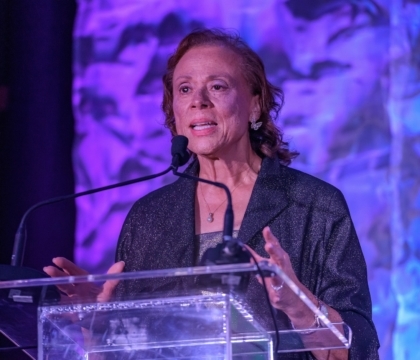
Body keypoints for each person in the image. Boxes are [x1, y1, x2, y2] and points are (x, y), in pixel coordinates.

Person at [45, 29, 379, 359]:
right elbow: (131, 351)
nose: (198, 100)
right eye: (185, 89)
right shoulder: (149, 217)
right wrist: (99, 324)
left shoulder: (314, 205)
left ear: (255, 106)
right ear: (174, 113)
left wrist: (299, 306)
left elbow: (358, 349)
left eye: (217, 86)